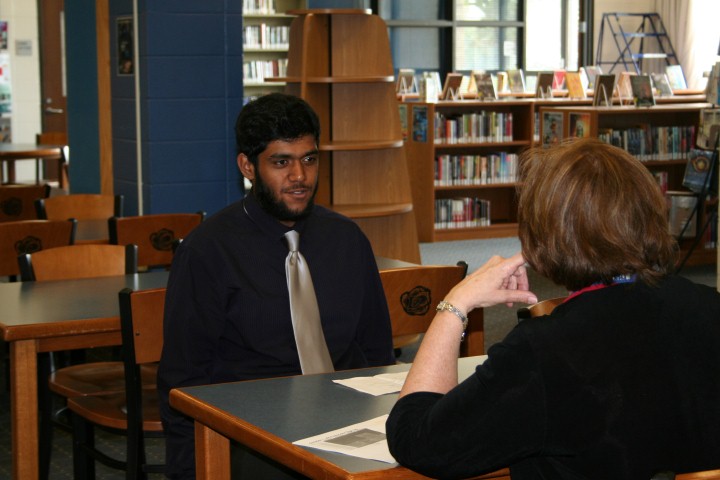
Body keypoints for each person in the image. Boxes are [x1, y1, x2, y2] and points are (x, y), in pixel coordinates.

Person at [386, 137, 720, 480]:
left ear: (541, 239)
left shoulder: (547, 349)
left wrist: (454, 303)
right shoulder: (710, 307)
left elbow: (417, 440)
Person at [158, 93, 395, 479]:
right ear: (247, 167)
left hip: (347, 421)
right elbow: (183, 380)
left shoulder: (347, 240)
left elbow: (378, 351)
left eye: (309, 159)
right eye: (281, 162)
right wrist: (193, 469)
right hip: (252, 429)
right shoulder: (208, 251)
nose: (299, 176)